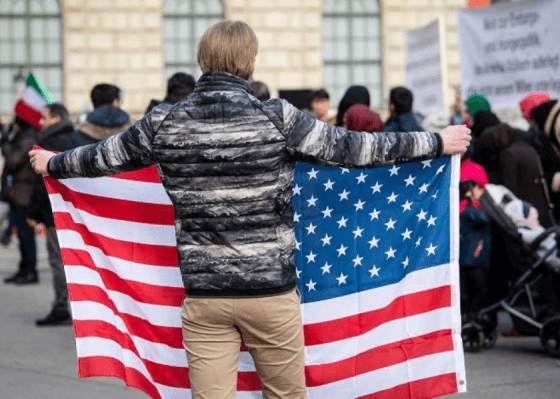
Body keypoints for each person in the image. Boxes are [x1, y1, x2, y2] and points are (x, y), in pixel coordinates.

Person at [29, 20, 471, 399]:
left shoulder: (163, 121)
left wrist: (53, 163)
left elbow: (100, 157)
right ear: (250, 61)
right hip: (270, 295)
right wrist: (435, 142)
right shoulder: (278, 117)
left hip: (205, 298)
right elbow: (358, 148)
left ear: (204, 59)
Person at [27, 103, 76, 325]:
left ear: (56, 118)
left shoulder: (47, 143)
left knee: (58, 261)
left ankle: (60, 307)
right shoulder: (76, 138)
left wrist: (33, 213)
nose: (42, 122)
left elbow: (40, 184)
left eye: (45, 118)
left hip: (54, 213)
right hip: (76, 211)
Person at [476, 123, 554, 227]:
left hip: (525, 208)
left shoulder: (508, 155)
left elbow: (510, 187)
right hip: (540, 203)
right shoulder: (523, 146)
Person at [1, 118, 38, 284]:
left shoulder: (28, 139)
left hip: (25, 194)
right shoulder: (21, 138)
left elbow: (13, 160)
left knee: (26, 235)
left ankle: (30, 271)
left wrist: (5, 142)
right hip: (17, 193)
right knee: (22, 236)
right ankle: (24, 270)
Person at [459, 159, 491, 323]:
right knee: (479, 289)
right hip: (473, 258)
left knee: (473, 290)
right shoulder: (470, 211)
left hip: (471, 257)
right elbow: (485, 219)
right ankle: (471, 315)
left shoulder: (466, 209)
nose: (482, 190)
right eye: (478, 187)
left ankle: (471, 315)